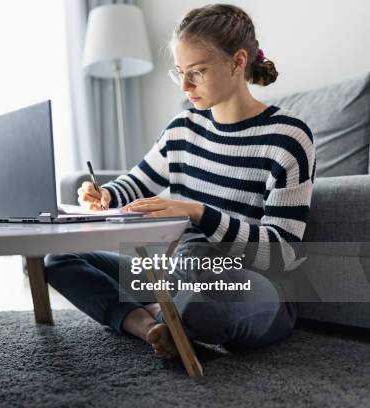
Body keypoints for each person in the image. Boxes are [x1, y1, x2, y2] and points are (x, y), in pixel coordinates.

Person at [44, 3, 316, 358]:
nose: (186, 86)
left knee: (196, 281)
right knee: (58, 259)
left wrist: (199, 213)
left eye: (197, 72)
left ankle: (172, 313)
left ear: (237, 62)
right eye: (179, 73)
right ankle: (152, 326)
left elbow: (282, 253)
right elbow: (136, 183)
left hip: (256, 285)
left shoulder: (288, 137)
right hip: (183, 273)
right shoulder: (182, 130)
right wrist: (104, 195)